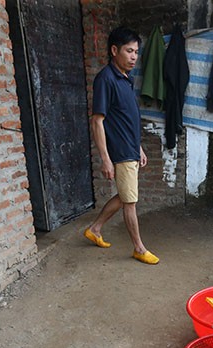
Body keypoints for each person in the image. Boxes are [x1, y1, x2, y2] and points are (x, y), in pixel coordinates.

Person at [83, 26, 159, 265]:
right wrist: (105, 158)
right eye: (129, 51)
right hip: (120, 152)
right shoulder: (106, 79)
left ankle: (95, 229)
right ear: (114, 50)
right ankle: (138, 247)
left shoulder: (125, 79)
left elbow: (128, 118)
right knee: (130, 202)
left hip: (130, 148)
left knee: (126, 196)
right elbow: (97, 121)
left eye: (136, 51)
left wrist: (139, 147)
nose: (134, 56)